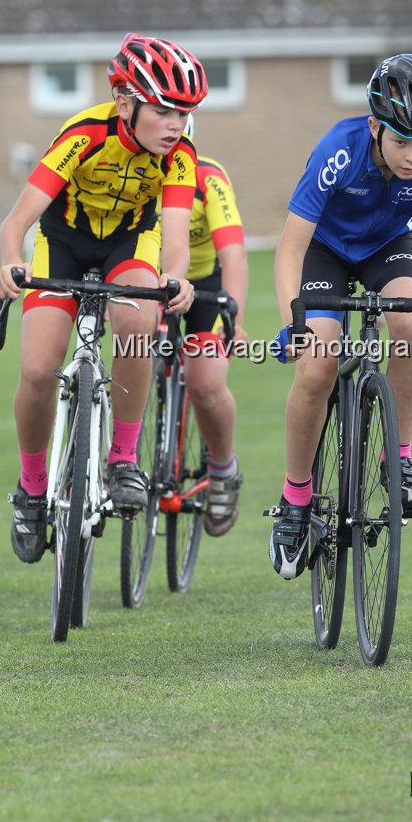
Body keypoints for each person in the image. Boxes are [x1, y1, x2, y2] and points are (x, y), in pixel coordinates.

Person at [0, 33, 207, 564]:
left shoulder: (180, 155)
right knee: (40, 370)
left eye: (184, 112)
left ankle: (122, 459)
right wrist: (10, 264)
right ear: (125, 102)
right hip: (61, 241)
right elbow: (16, 222)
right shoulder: (84, 134)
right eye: (163, 111)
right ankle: (31, 487)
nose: (176, 124)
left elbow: (175, 241)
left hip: (129, 243)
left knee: (138, 322)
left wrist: (176, 279)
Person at [267, 54, 412, 580]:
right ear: (376, 125)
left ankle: (396, 457)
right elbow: (290, 250)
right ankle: (296, 498)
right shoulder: (339, 150)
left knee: (411, 326)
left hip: (387, 244)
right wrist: (295, 322)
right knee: (317, 365)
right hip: (324, 251)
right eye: (401, 141)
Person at [177, 115, 249, 536]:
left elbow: (235, 255)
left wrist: (233, 318)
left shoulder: (209, 177)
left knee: (204, 381)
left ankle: (222, 470)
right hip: (154, 283)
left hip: (205, 284)